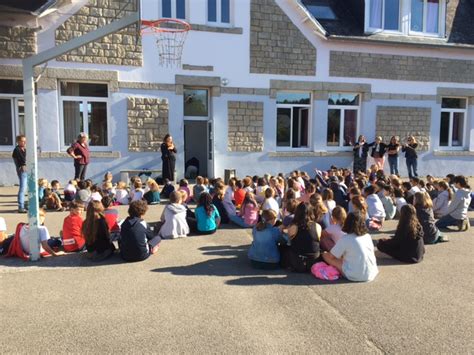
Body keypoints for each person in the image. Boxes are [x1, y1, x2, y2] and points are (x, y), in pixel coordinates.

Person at [322, 212, 378, 282]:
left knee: (325, 255)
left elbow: (331, 256)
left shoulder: (346, 238)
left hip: (354, 275)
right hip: (372, 272)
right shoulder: (367, 236)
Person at [281, 202, 321, 272]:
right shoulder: (317, 226)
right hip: (314, 261)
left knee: (283, 248)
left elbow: (289, 240)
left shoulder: (294, 227)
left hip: (298, 261)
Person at [12, 135, 27, 213]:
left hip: (26, 170)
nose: (24, 142)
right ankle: (21, 206)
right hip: (22, 171)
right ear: (18, 141)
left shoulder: (24, 149)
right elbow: (23, 160)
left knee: (26, 188)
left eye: (25, 141)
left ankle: (24, 204)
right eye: (22, 141)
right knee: (22, 188)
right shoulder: (17, 150)